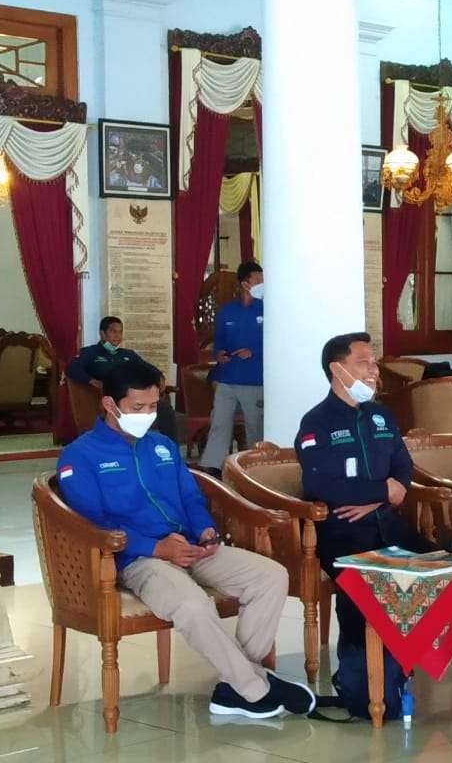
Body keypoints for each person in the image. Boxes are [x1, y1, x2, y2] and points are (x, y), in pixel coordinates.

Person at [56, 360, 309, 718]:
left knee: (271, 576)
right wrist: (157, 547)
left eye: (153, 406)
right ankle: (254, 687)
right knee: (192, 605)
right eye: (137, 408)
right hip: (137, 559)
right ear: (110, 405)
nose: (147, 414)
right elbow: (93, 523)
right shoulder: (80, 457)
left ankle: (233, 685)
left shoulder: (160, 445)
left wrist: (204, 528)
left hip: (190, 546)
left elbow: (190, 496)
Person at [296, 332, 438, 655]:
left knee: (440, 566)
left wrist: (379, 496)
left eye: (374, 362)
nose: (373, 370)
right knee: (362, 591)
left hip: (386, 523)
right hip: (342, 533)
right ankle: (360, 675)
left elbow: (403, 467)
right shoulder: (316, 422)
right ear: (337, 369)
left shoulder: (381, 415)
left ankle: (409, 658)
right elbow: (320, 485)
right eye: (363, 363)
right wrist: (382, 489)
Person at [66, 315, 178, 441]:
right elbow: (71, 369)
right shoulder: (90, 353)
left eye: (120, 332)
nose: (117, 336)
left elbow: (148, 369)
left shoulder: (128, 354)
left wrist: (159, 377)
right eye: (113, 331)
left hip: (134, 398)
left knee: (163, 408)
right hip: (108, 400)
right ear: (102, 333)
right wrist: (91, 381)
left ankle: (170, 447)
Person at [200, 262, 265, 475]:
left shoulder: (268, 310)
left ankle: (255, 468)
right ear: (245, 283)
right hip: (227, 377)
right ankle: (213, 467)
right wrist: (218, 353)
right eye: (257, 280)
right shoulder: (228, 311)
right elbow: (219, 342)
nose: (261, 284)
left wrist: (253, 352)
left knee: (255, 427)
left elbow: (277, 343)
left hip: (254, 379)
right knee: (219, 421)